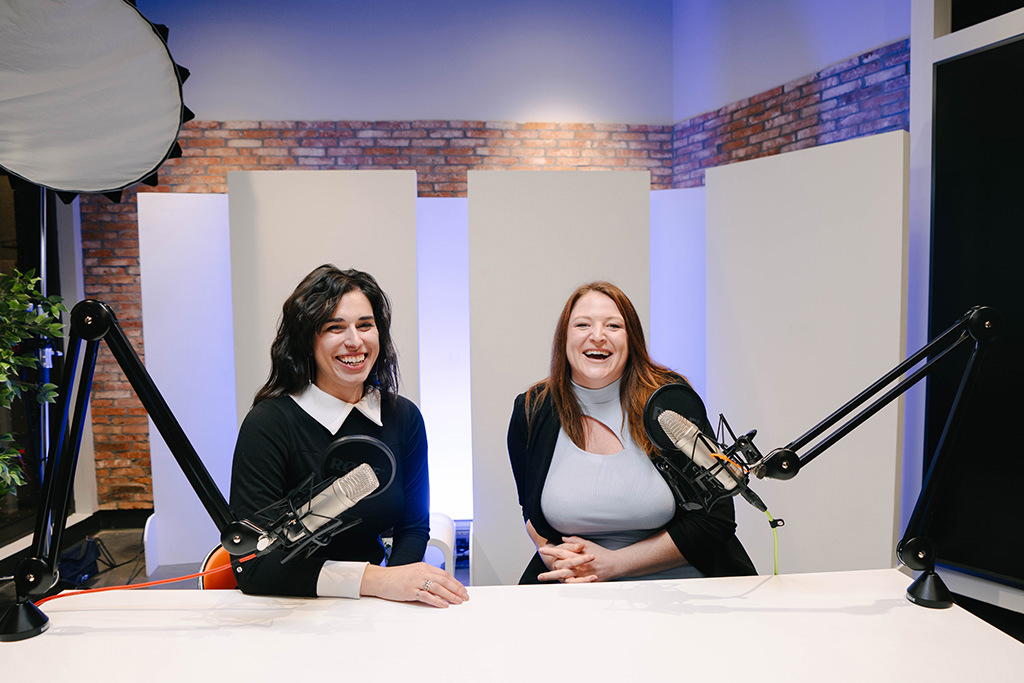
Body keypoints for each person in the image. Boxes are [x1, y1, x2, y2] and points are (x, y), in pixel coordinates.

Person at [230, 265, 468, 607]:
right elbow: (254, 566)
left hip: (373, 607)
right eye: (334, 328)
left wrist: (399, 592)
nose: (355, 341)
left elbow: (413, 527)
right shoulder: (269, 424)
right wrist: (379, 580)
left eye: (365, 325)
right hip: (289, 607)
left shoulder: (403, 417)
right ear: (306, 339)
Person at [507, 281, 756, 584]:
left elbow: (716, 517)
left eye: (613, 326)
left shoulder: (668, 402)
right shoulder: (533, 409)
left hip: (682, 589)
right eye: (583, 324)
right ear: (564, 337)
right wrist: (549, 551)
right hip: (575, 588)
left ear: (631, 339)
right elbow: (529, 508)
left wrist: (615, 564)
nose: (597, 336)